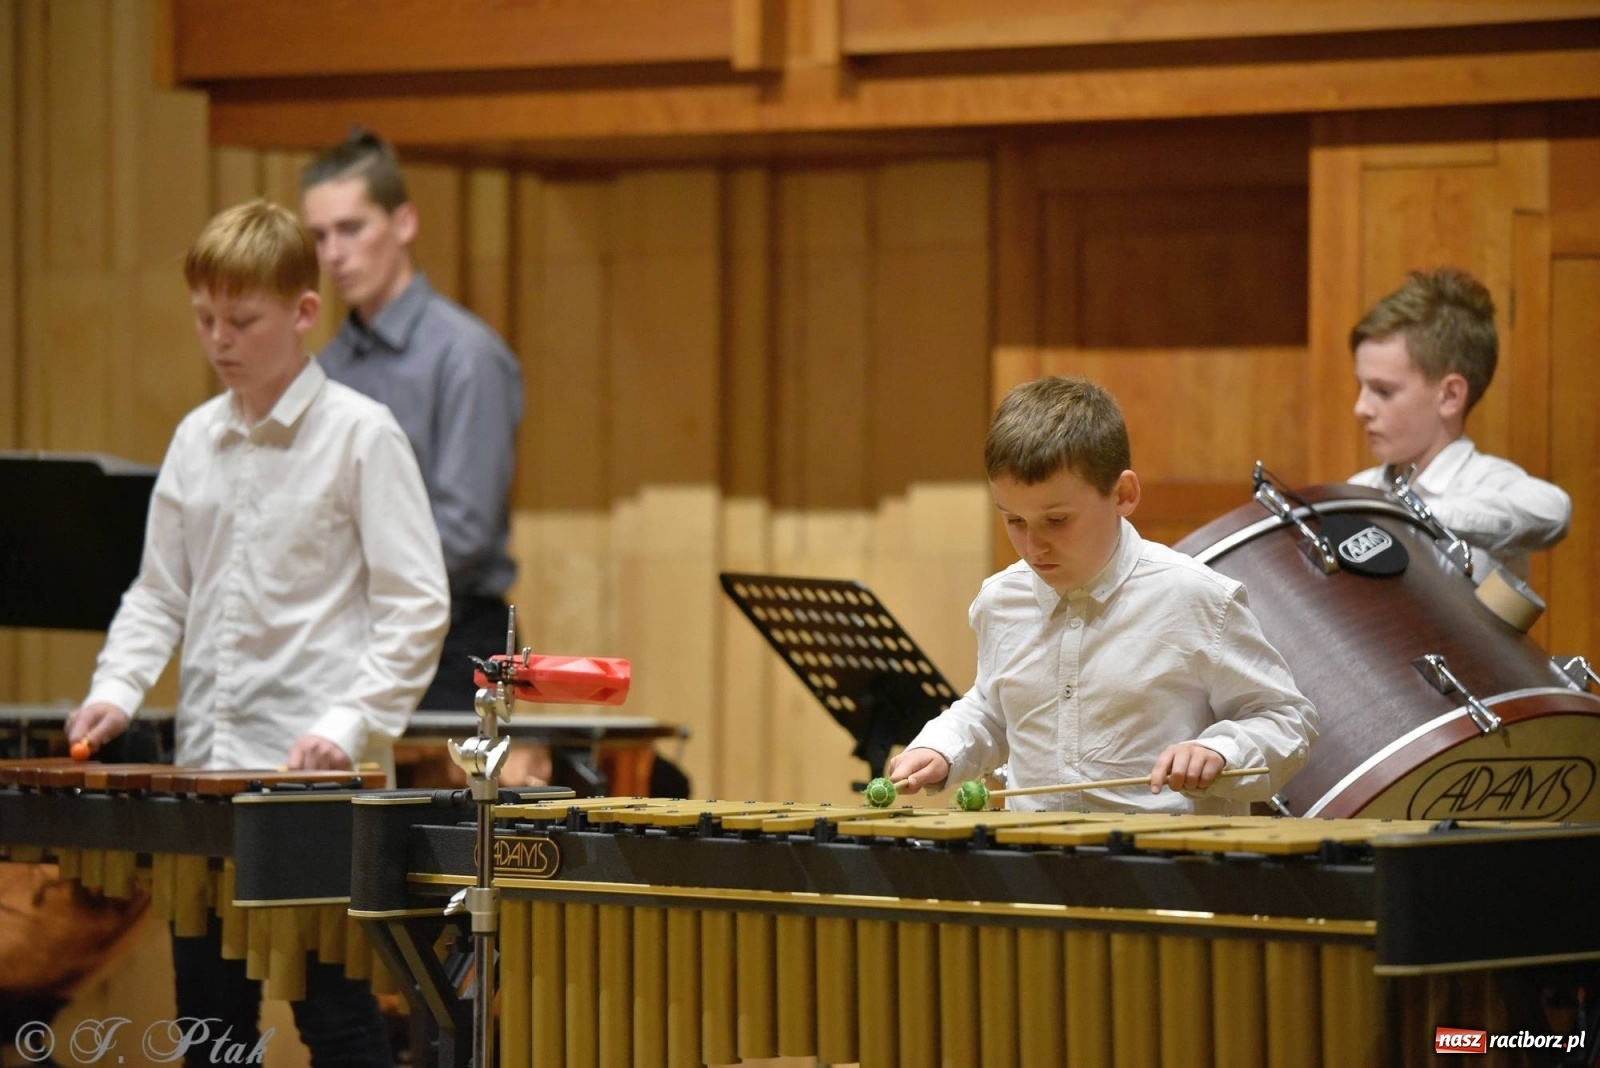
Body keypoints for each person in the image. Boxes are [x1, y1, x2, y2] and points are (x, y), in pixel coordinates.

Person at [66, 200, 449, 1067]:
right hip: (212, 775)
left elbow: (417, 604)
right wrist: (114, 691)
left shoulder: (360, 436)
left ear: (303, 313)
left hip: (317, 788)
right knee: (211, 1027)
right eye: (205, 318)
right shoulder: (194, 441)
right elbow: (160, 593)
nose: (219, 340)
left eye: (241, 320)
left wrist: (346, 724)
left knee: (339, 1022)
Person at [886, 377, 1317, 814]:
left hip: (1169, 869)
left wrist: (1224, 752)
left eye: (1056, 520)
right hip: (1040, 865)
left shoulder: (1193, 597)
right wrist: (942, 749)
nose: (1034, 546)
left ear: (1123, 495)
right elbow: (993, 712)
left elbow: (1286, 720)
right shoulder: (1002, 600)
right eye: (1014, 520)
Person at [301, 129, 523, 711]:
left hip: (452, 642)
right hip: (346, 637)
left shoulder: (465, 354)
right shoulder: (325, 367)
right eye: (319, 236)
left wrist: (349, 591)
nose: (333, 254)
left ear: (404, 224)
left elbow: (466, 531)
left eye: (352, 229)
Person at [1349, 267, 1570, 583]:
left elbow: (1554, 512)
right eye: (1361, 387)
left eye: (1383, 391)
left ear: (1450, 396)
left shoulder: (1487, 481)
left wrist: (1413, 515)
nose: (1361, 408)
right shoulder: (1359, 488)